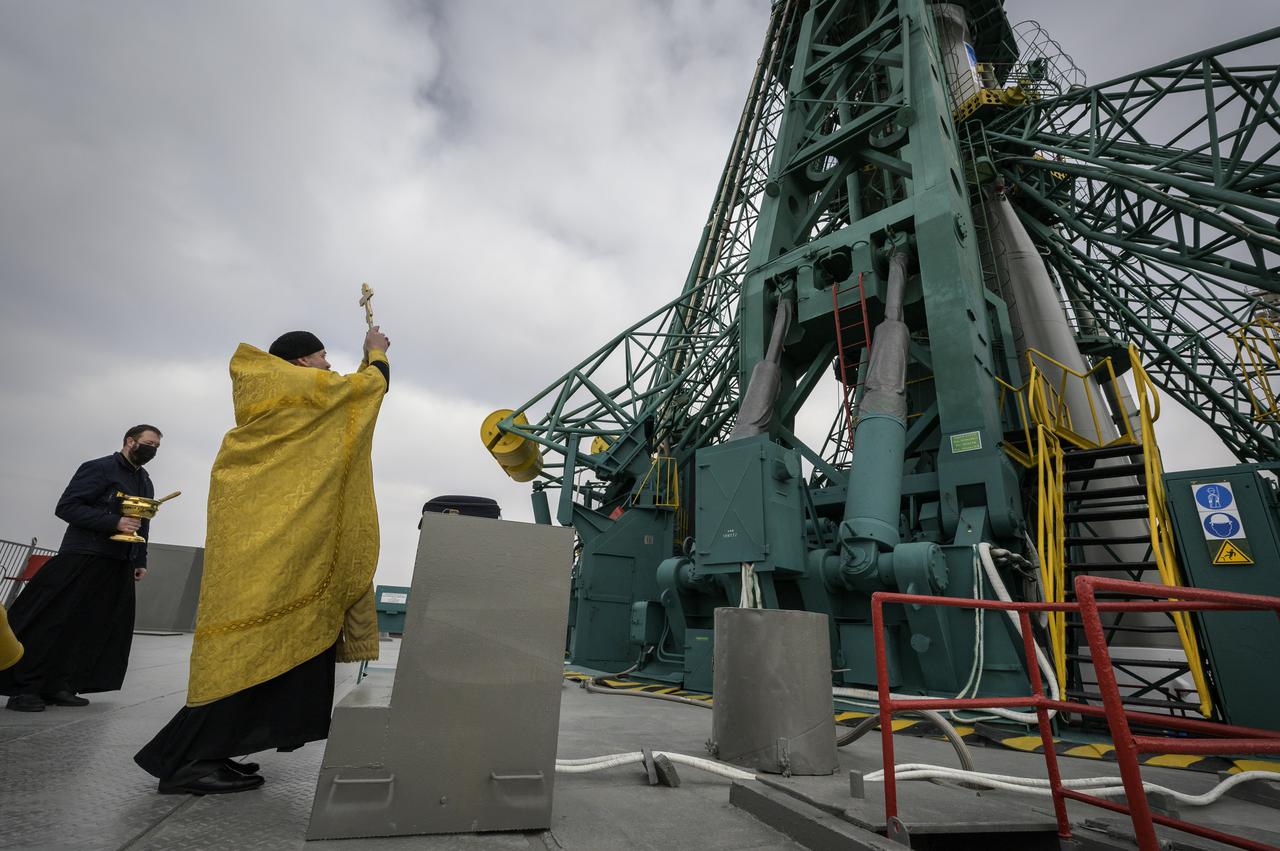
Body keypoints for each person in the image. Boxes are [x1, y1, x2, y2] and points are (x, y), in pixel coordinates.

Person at [135, 326, 390, 796]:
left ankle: (213, 751)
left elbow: (344, 397)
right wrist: (375, 354)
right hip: (275, 551)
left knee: (266, 649)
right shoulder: (296, 390)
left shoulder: (284, 396)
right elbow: (365, 390)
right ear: (298, 365)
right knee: (249, 650)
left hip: (273, 548)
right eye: (321, 358)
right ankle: (188, 761)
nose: (329, 367)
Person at [1, 426, 162, 711]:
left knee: (89, 628)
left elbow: (142, 523)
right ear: (130, 441)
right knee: (51, 622)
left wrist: (140, 560)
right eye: (149, 443)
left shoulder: (145, 482)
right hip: (82, 556)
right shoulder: (99, 468)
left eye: (157, 447)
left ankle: (60, 685)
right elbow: (67, 507)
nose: (152, 450)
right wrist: (113, 522)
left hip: (118, 564)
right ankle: (25, 687)